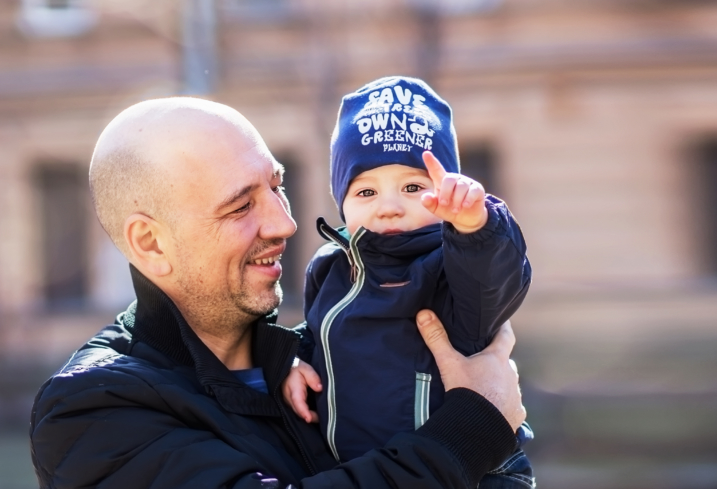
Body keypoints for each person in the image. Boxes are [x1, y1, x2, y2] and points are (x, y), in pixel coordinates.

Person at [29, 96, 525, 488]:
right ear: (151, 242)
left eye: (277, 187)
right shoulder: (93, 411)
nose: (285, 224)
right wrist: (471, 428)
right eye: (241, 206)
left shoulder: (318, 355)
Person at [283, 76, 534, 488]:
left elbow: (496, 280)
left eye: (413, 187)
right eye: (365, 192)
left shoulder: (451, 266)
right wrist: (292, 360)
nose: (389, 207)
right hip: (366, 473)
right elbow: (321, 335)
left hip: (472, 473)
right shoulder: (331, 267)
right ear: (341, 202)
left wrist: (477, 226)